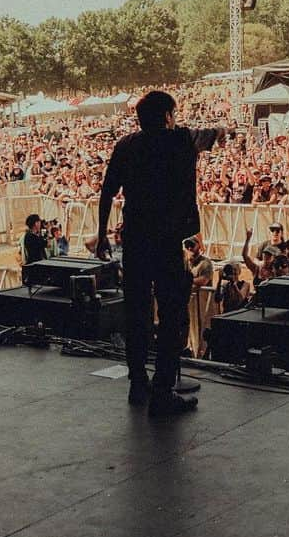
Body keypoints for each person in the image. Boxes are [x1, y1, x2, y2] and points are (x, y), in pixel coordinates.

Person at [95, 90, 223, 417]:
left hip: (135, 241)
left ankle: (138, 384)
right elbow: (211, 135)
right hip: (166, 242)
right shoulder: (179, 140)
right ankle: (163, 391)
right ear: (167, 116)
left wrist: (100, 236)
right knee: (171, 317)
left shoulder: (125, 146)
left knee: (135, 314)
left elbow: (107, 193)